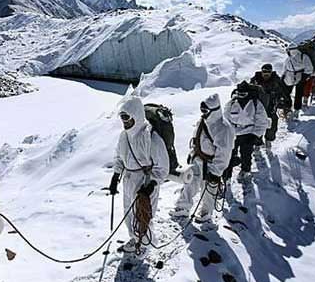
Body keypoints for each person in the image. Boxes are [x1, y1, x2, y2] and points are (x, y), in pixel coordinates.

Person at [109, 96, 169, 257]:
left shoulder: (151, 138)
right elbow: (119, 157)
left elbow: (162, 167)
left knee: (144, 214)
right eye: (122, 118)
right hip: (128, 179)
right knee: (129, 213)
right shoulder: (124, 136)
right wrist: (116, 175)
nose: (124, 122)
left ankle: (145, 243)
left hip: (145, 181)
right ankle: (135, 238)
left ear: (136, 115)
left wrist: (152, 185)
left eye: (127, 118)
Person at [169, 94, 234, 231]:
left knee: (209, 190)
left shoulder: (224, 128)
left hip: (211, 164)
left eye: (205, 111)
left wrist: (216, 172)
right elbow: (195, 137)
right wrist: (192, 154)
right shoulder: (202, 122)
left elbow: (224, 153)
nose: (203, 114)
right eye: (202, 111)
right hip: (198, 159)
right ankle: (182, 207)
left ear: (214, 110)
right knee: (190, 183)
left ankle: (206, 213)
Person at [223, 81, 270, 181]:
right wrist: (227, 132)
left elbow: (261, 121)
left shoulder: (256, 103)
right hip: (233, 133)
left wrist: (255, 135)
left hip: (248, 133)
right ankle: (227, 176)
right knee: (229, 155)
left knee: (246, 154)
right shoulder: (231, 103)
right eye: (239, 94)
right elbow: (226, 119)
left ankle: (245, 171)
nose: (240, 96)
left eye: (243, 94)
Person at [250, 64, 292, 150]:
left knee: (272, 124)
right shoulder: (255, 80)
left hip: (271, 106)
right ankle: (257, 144)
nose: (266, 74)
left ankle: (268, 141)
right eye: (264, 71)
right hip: (258, 107)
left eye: (268, 72)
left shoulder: (276, 81)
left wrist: (287, 103)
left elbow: (284, 92)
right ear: (261, 71)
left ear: (271, 72)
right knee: (258, 125)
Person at [283, 44, 314, 119]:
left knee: (287, 93)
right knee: (297, 94)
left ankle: (289, 109)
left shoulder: (292, 58)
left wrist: (283, 77)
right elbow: (309, 69)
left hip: (290, 77)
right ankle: (295, 110)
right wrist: (304, 77)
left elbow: (285, 69)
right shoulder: (302, 57)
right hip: (297, 77)